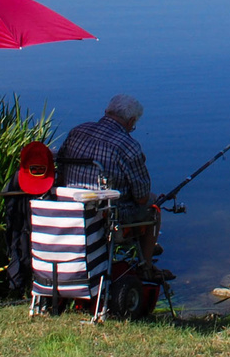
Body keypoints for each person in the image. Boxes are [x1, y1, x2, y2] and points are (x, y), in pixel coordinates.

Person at [57, 94, 171, 281]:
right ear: (131, 121)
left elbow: (60, 173)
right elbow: (141, 197)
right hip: (106, 216)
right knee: (153, 206)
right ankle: (146, 266)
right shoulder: (128, 146)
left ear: (106, 112)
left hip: (72, 208)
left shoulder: (78, 131)